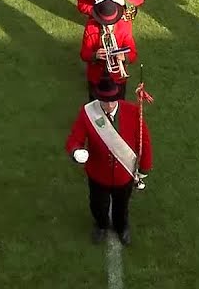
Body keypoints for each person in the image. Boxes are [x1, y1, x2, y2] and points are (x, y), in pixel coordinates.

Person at [63, 77, 151, 246]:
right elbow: (74, 138)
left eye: (112, 100)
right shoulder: (88, 113)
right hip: (98, 173)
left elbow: (144, 141)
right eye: (105, 101)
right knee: (98, 204)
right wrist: (76, 151)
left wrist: (144, 168)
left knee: (121, 205)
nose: (109, 105)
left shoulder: (133, 111)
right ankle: (101, 225)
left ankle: (121, 227)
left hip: (124, 173)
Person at [81, 0, 136, 99]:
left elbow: (133, 54)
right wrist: (94, 55)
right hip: (96, 77)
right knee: (95, 106)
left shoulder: (125, 26)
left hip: (117, 78)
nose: (107, 26)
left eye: (111, 23)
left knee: (118, 106)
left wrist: (124, 57)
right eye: (104, 23)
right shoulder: (91, 27)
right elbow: (84, 54)